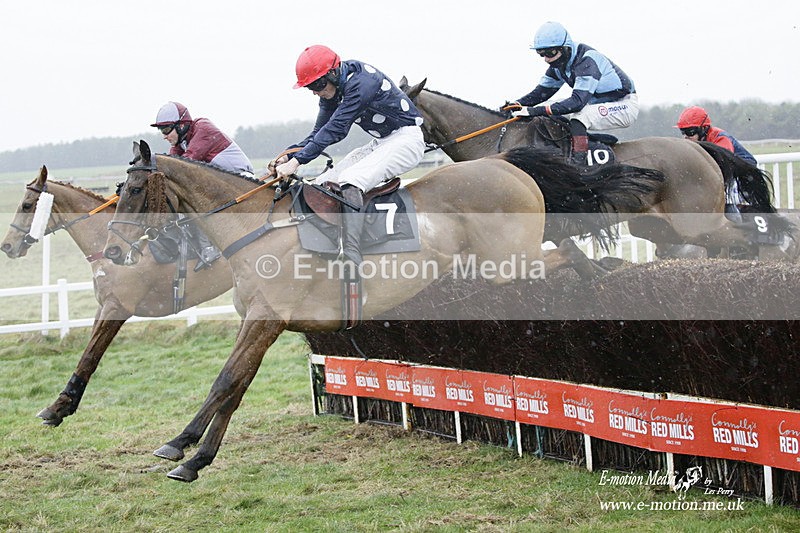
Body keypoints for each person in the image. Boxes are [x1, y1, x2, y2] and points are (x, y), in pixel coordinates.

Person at [274, 45, 425, 281]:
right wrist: (289, 154)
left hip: (407, 140)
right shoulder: (332, 89)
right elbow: (319, 131)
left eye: (316, 85)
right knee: (323, 182)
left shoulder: (361, 83)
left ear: (333, 74)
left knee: (350, 180)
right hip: (383, 142)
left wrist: (297, 162)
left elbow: (336, 129)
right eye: (310, 88)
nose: (315, 92)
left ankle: (352, 256)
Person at [505, 21, 638, 165]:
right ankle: (570, 147)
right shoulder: (559, 63)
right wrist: (518, 104)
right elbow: (542, 93)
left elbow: (577, 103)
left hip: (623, 104)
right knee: (548, 107)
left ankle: (578, 165)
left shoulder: (586, 61)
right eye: (541, 53)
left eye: (550, 53)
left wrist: (534, 110)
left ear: (565, 48)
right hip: (593, 103)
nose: (546, 59)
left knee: (579, 118)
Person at [151, 101, 254, 267]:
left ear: (182, 125)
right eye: (161, 130)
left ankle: (209, 248)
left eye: (166, 129)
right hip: (221, 181)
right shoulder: (181, 140)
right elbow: (171, 163)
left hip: (241, 179)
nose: (164, 135)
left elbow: (184, 165)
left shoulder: (203, 128)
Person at [676, 105, 757, 222]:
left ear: (704, 129)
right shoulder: (697, 141)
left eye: (690, 132)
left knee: (726, 199)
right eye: (683, 132)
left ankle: (736, 227)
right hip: (727, 172)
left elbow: (724, 168)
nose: (685, 137)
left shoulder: (721, 139)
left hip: (743, 173)